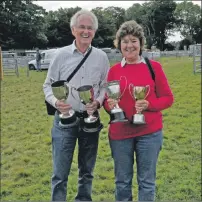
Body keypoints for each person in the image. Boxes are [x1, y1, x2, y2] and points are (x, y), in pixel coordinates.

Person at [43, 9, 110, 201]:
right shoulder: (60, 55)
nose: (86, 31)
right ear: (73, 30)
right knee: (60, 174)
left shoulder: (101, 57)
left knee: (87, 171)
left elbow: (105, 86)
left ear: (94, 32)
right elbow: (47, 85)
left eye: (90, 28)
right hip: (65, 122)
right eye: (82, 27)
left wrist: (98, 101)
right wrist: (56, 102)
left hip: (90, 121)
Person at [103, 20, 174, 201]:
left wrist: (149, 105)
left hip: (149, 133)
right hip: (120, 134)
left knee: (147, 182)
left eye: (134, 40)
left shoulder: (154, 68)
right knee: (122, 182)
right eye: (125, 41)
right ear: (119, 45)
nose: (129, 45)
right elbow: (106, 100)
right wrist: (109, 105)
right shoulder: (113, 71)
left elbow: (168, 98)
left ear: (141, 44)